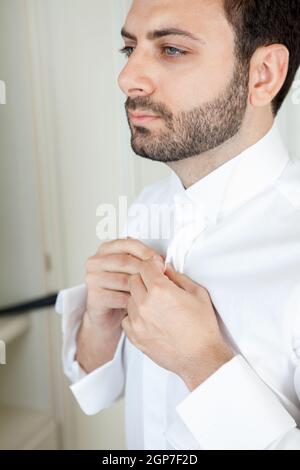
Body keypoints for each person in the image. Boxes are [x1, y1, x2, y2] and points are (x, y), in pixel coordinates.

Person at [55, 0, 300, 450]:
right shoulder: (145, 211)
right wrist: (99, 323)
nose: (127, 78)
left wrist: (202, 363)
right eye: (130, 49)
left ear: (263, 74)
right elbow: (98, 391)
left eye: (171, 49)